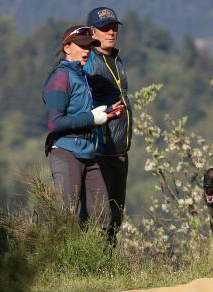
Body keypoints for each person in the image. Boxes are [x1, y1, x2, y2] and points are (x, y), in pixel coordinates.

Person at [42, 25, 120, 232]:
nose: (87, 50)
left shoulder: (81, 76)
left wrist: (106, 112)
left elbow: (80, 113)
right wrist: (91, 118)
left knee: (103, 217)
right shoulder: (60, 77)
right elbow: (54, 122)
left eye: (90, 46)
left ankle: (99, 264)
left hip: (87, 150)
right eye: (81, 46)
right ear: (67, 47)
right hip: (66, 151)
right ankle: (57, 264)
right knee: (65, 218)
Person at [84, 7, 133, 245]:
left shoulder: (115, 57)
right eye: (105, 29)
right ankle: (94, 263)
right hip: (100, 149)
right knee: (100, 216)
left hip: (120, 150)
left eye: (114, 27)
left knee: (116, 215)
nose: (111, 33)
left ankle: (109, 263)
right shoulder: (90, 61)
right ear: (92, 32)